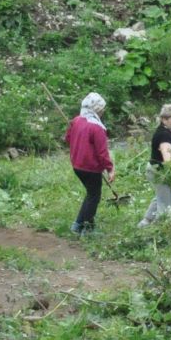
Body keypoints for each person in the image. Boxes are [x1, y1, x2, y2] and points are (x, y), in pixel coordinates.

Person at [67, 93, 115, 235]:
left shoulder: (76, 121)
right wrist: (110, 169)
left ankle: (77, 225)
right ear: (96, 109)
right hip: (90, 168)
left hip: (77, 165)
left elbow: (68, 138)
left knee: (91, 194)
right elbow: (102, 152)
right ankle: (87, 228)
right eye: (102, 109)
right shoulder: (97, 128)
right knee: (94, 196)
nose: (103, 111)